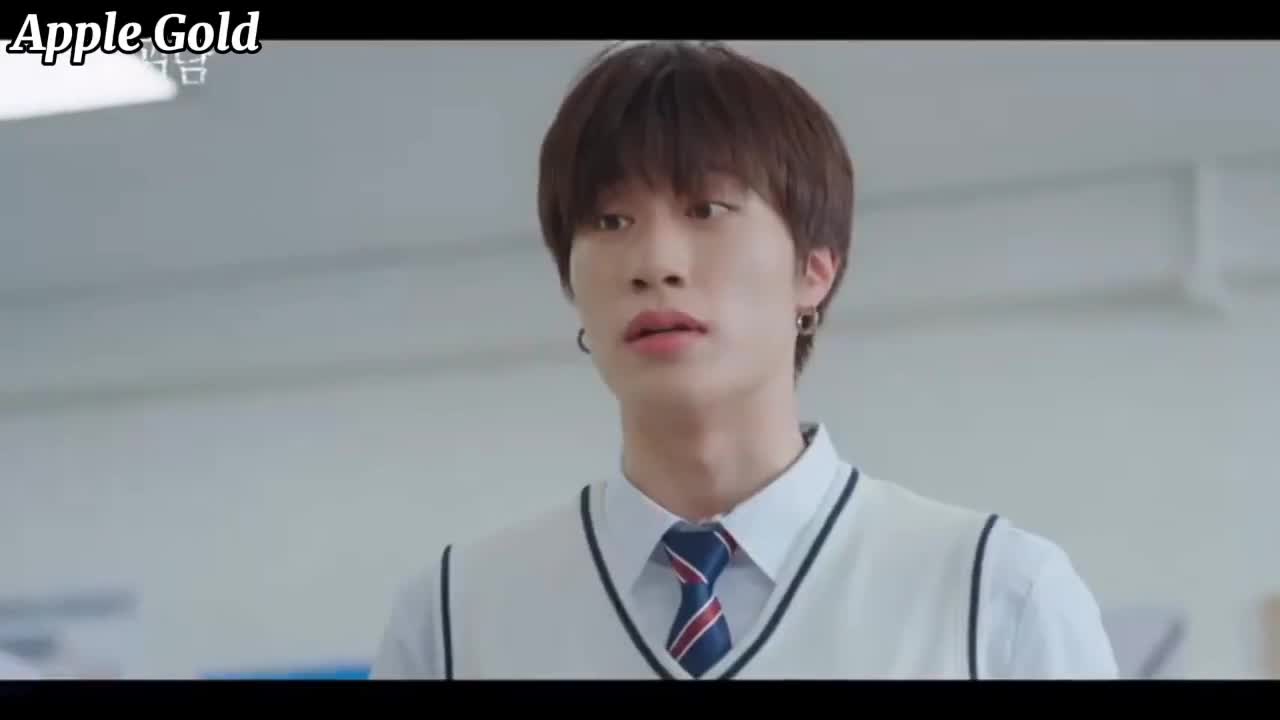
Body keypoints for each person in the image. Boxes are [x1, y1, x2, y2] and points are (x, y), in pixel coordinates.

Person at [371, 40, 1118, 680]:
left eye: (706, 211)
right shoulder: (454, 621)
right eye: (610, 221)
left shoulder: (994, 598)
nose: (655, 263)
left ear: (815, 269)